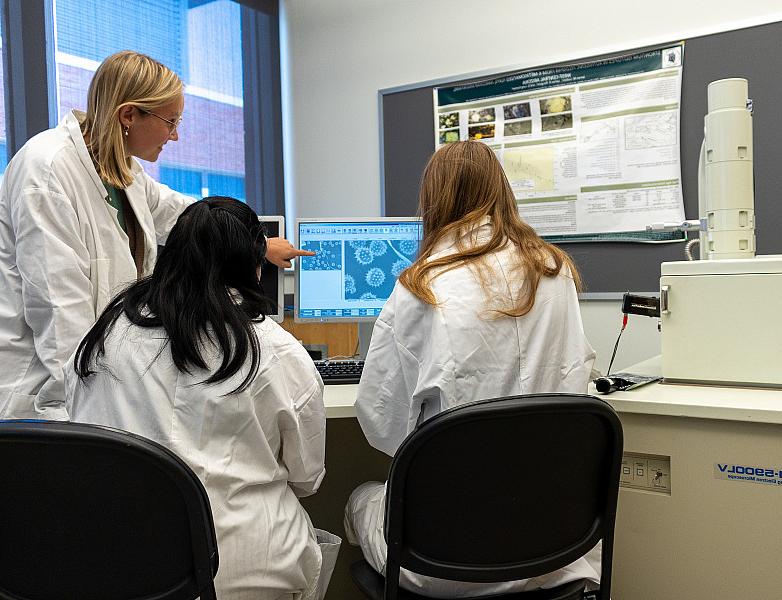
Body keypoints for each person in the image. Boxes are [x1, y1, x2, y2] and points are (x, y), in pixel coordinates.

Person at [345, 140, 599, 597]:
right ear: (501, 191)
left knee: (359, 498)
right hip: (555, 550)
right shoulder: (555, 272)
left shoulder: (422, 287)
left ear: (433, 201)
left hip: (446, 563)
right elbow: (576, 380)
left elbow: (382, 426)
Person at [0, 50, 304, 420]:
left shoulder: (121, 168)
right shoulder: (46, 172)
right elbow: (59, 315)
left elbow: (182, 214)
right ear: (129, 115)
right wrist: (92, 414)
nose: (175, 135)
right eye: (171, 121)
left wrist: (256, 245)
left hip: (101, 380)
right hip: (47, 395)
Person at [66, 196, 339, 600]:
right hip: (247, 569)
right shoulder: (274, 350)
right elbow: (306, 476)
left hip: (126, 566)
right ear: (253, 268)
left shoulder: (106, 336)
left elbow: (81, 426)